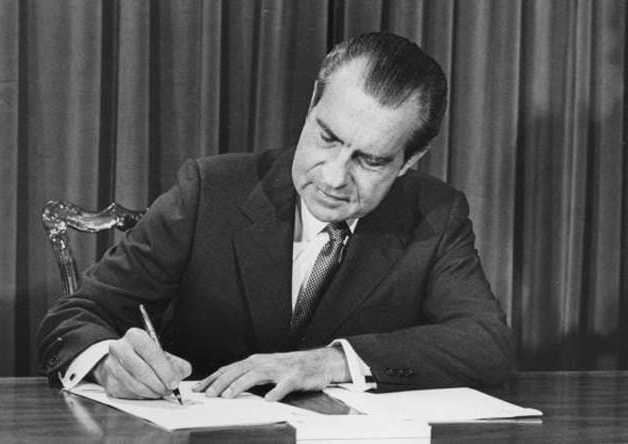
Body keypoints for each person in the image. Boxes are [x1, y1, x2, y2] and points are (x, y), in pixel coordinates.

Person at [37, 32, 512, 401]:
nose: (333, 177)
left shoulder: (436, 214)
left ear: (411, 159)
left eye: (370, 161)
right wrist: (105, 361)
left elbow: (486, 343)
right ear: (311, 105)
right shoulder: (211, 191)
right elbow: (76, 315)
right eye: (327, 137)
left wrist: (331, 362)